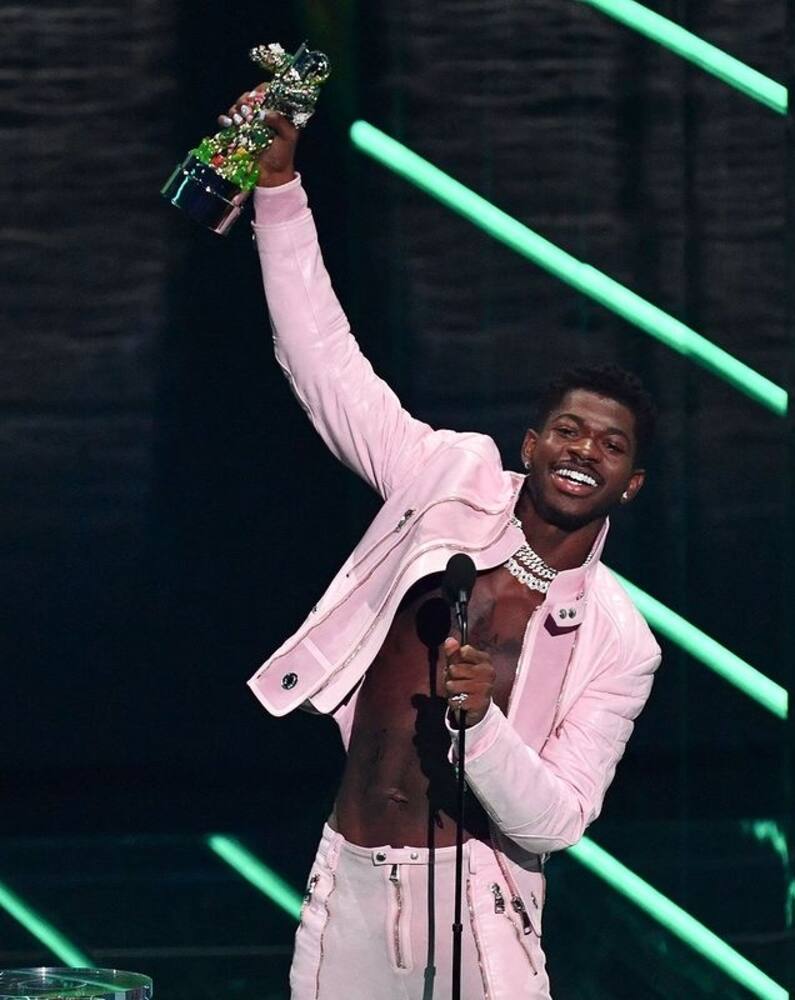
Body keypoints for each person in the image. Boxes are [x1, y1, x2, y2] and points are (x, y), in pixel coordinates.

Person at [230, 92, 661, 999]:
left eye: (611, 446)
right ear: (530, 444)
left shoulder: (619, 640)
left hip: (479, 904)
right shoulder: (444, 481)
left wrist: (483, 725)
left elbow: (557, 822)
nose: (585, 450)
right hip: (347, 878)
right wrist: (277, 190)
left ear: (631, 485)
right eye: (568, 430)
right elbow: (326, 367)